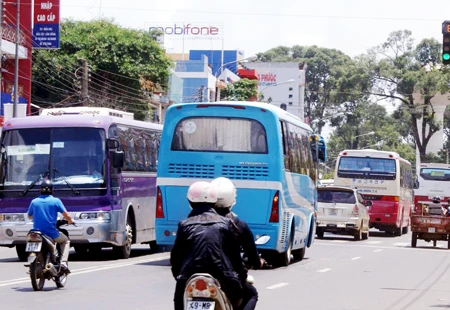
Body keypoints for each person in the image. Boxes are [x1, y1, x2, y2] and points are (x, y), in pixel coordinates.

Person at [171, 181, 246, 310]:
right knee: (241, 298)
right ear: (214, 202)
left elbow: (176, 258)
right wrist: (241, 275)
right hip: (223, 275)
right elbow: (235, 257)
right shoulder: (226, 223)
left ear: (190, 202)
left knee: (179, 300)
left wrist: (180, 276)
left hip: (189, 276)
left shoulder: (184, 225)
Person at [211, 177, 266, 310]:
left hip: (195, 275)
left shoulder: (194, 222)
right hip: (228, 277)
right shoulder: (237, 224)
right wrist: (258, 262)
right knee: (252, 294)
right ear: (232, 199)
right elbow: (252, 256)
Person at [27, 179, 74, 273]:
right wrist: (70, 221)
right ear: (52, 190)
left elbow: (29, 216)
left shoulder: (34, 202)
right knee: (65, 240)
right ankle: (64, 262)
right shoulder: (55, 201)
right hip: (51, 233)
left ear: (40, 189)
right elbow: (66, 215)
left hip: (36, 233)